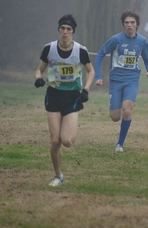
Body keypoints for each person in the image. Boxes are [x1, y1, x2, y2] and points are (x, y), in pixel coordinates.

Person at [34, 14, 95, 186]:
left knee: (66, 141)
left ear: (73, 32)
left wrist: (86, 89)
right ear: (59, 30)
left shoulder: (80, 51)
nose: (65, 32)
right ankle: (58, 175)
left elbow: (91, 72)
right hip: (53, 95)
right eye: (62, 28)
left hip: (72, 97)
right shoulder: (49, 49)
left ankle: (71, 126)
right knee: (55, 140)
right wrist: (39, 78)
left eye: (68, 29)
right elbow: (39, 70)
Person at [95, 9, 148, 152]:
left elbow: (147, 59)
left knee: (127, 111)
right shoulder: (116, 39)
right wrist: (98, 76)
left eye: (132, 23)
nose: (129, 25)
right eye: (126, 23)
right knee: (115, 117)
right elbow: (100, 54)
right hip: (115, 80)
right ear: (123, 25)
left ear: (137, 25)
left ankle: (120, 144)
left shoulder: (142, 41)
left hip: (132, 80)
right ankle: (119, 104)